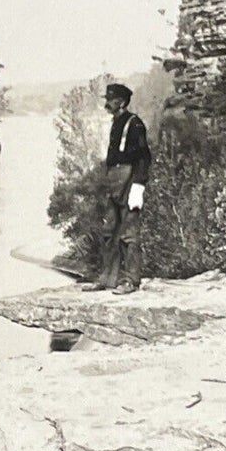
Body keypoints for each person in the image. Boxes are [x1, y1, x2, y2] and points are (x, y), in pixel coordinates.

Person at [83, 81, 151, 294]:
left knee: (129, 233)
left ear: (121, 101)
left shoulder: (135, 123)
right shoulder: (116, 122)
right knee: (109, 231)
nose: (107, 104)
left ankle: (130, 280)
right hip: (114, 179)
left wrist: (138, 186)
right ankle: (108, 278)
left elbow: (143, 157)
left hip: (129, 178)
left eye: (111, 100)